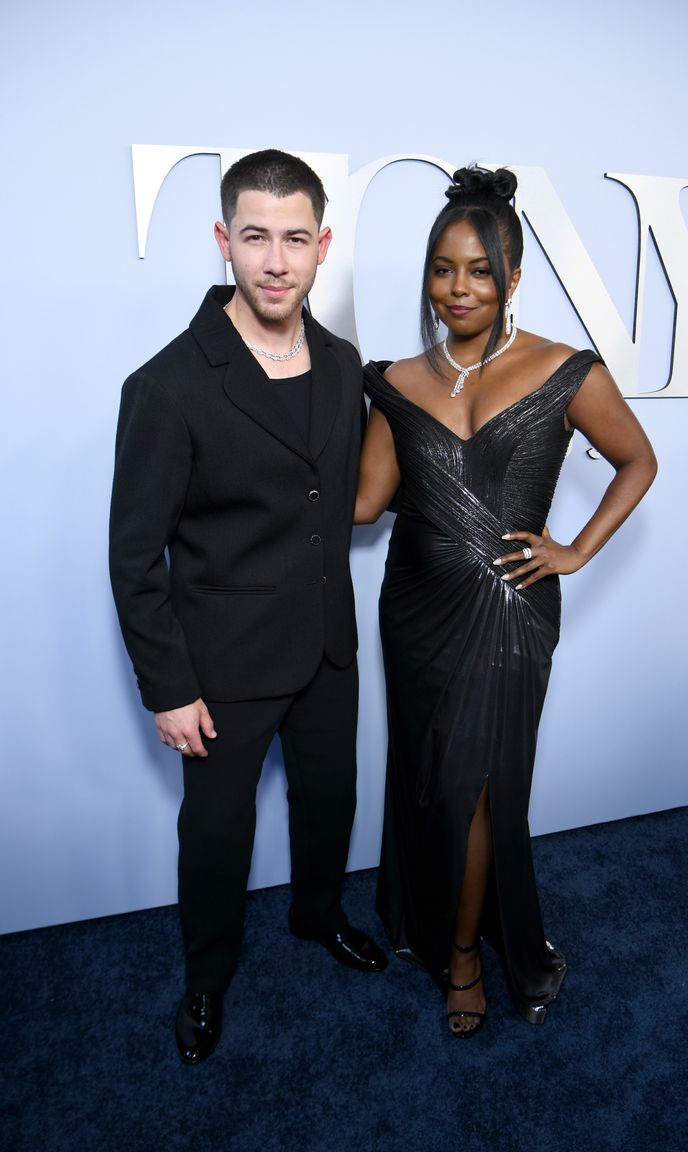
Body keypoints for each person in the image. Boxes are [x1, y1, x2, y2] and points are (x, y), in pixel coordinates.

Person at [355, 166, 657, 1038]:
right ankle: (436, 918)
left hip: (511, 611)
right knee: (429, 780)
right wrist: (261, 465)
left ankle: (462, 957)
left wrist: (574, 551)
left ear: (513, 278)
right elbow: (367, 502)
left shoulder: (566, 370)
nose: (458, 287)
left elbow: (639, 461)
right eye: (443, 269)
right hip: (415, 607)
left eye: (479, 270)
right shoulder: (397, 379)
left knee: (482, 789)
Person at [109, 149, 386, 1066]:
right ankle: (206, 978)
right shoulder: (168, 384)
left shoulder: (344, 364)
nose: (276, 260)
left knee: (329, 802)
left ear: (322, 247)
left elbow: (341, 490)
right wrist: (168, 686)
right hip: (221, 667)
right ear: (224, 241)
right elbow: (132, 555)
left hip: (327, 648)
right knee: (218, 834)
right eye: (256, 237)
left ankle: (317, 915)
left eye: (295, 239)